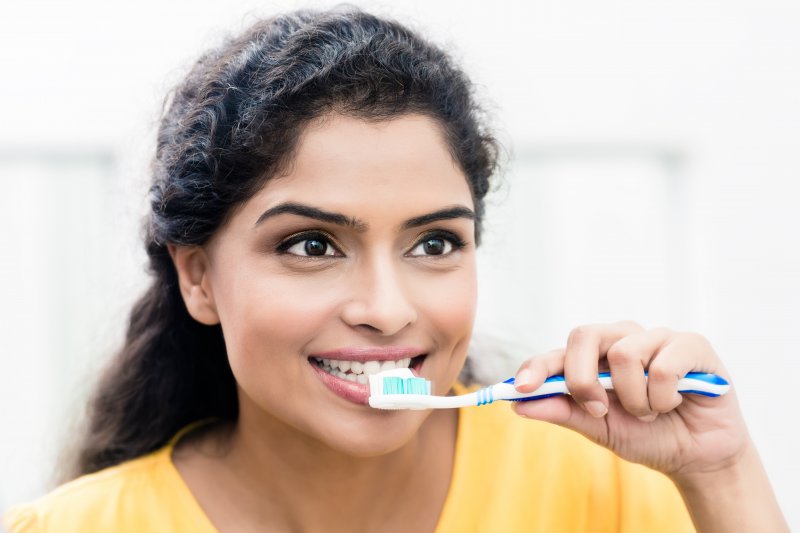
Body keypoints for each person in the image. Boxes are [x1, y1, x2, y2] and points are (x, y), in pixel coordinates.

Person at [3, 7, 788, 533]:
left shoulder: (607, 491)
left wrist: (722, 475)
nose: (385, 307)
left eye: (433, 243)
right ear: (199, 277)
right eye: (311, 245)